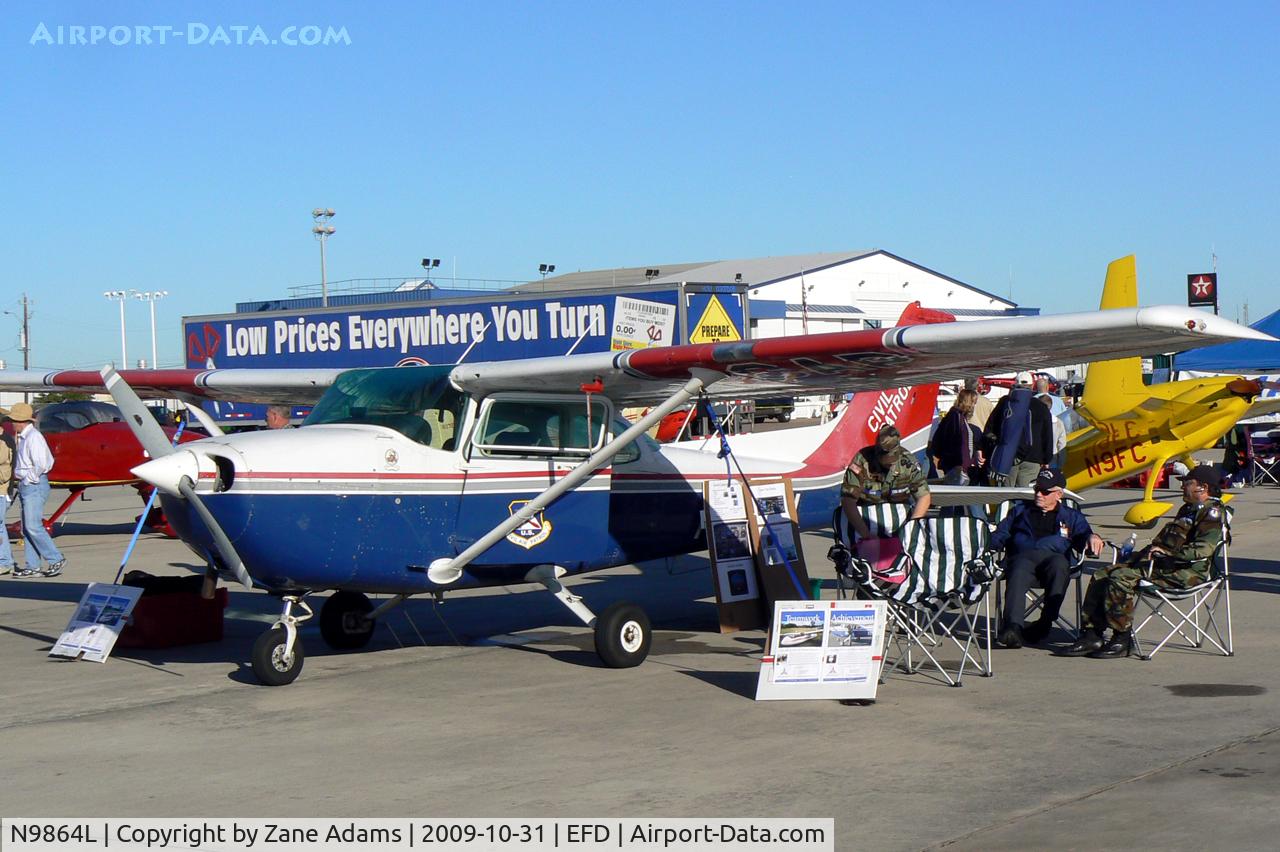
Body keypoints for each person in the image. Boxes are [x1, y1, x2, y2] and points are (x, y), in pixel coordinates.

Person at [1059, 466, 1226, 659]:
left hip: (1186, 573)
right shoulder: (1188, 509)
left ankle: (1122, 638)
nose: (1182, 487)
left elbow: (1203, 549)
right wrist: (1138, 555)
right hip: (1163, 566)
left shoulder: (1212, 512)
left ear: (1203, 487)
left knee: (1120, 578)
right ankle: (1091, 635)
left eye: (1187, 483)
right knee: (1101, 574)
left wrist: (1166, 555)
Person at [989, 469, 1103, 647]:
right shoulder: (1019, 511)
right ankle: (1013, 627)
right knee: (1018, 568)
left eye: (1045, 491)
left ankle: (1045, 622)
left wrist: (1092, 537)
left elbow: (1083, 535)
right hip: (1022, 559)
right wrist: (985, 545)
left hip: (1054, 562)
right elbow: (1000, 535)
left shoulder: (1071, 516)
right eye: (1036, 489)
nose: (1039, 494)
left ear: (1059, 494)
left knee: (1059, 565)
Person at [841, 424, 932, 540]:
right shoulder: (861, 461)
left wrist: (911, 529)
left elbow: (924, 497)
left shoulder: (908, 463)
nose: (889, 465)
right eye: (885, 460)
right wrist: (865, 535)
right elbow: (848, 500)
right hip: (865, 520)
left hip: (899, 523)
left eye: (892, 461)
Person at [7, 402, 65, 578]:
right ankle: (33, 565)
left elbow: (44, 463)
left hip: (34, 484)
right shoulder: (24, 437)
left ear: (21, 421)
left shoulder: (33, 437)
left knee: (33, 525)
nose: (12, 423)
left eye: (14, 420)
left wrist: (29, 478)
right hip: (28, 484)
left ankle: (56, 558)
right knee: (27, 528)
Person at [985, 371, 1054, 486]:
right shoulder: (1041, 407)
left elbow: (991, 427)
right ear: (1032, 386)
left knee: (1006, 496)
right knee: (1027, 495)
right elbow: (1047, 436)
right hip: (1033, 457)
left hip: (1008, 456)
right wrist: (1046, 459)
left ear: (1014, 385)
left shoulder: (1005, 403)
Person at [928, 389, 984, 485]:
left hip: (959, 465)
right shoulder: (955, 417)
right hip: (958, 466)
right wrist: (964, 464)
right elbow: (957, 442)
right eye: (973, 402)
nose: (974, 405)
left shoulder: (959, 416)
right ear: (968, 402)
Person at [0, 412, 15, 575]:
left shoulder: (3, 443)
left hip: (2, 491)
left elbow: (4, 473)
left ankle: (4, 562)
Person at [1037, 391, 1068, 469]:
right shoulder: (1058, 423)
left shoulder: (1034, 422)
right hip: (1052, 458)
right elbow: (1062, 445)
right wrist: (1061, 464)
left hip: (1036, 461)